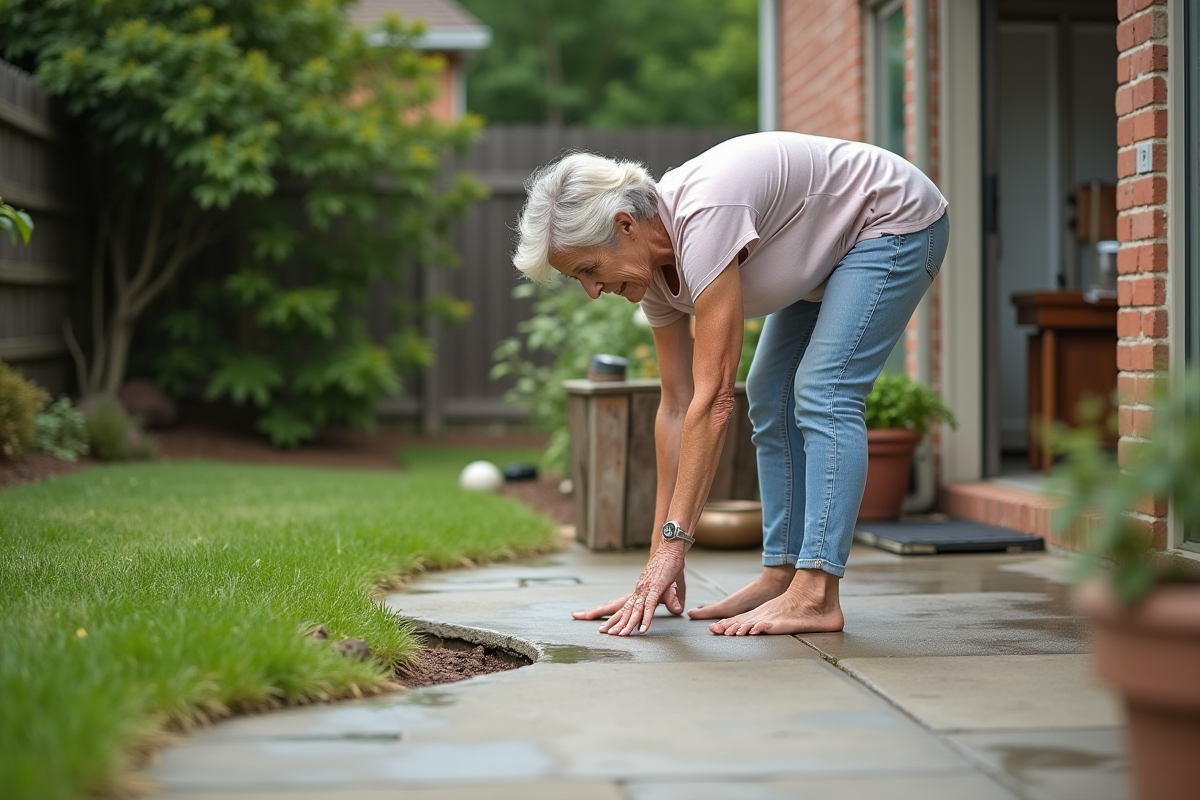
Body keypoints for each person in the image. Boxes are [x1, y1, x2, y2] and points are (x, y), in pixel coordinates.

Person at [512, 132, 949, 636]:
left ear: (625, 225)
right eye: (578, 279)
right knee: (770, 392)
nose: (592, 291)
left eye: (589, 269)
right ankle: (782, 573)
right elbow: (676, 406)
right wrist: (657, 564)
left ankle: (816, 593)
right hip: (833, 247)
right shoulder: (651, 271)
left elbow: (714, 400)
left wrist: (677, 545)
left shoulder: (704, 217)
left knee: (823, 391)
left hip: (891, 220)